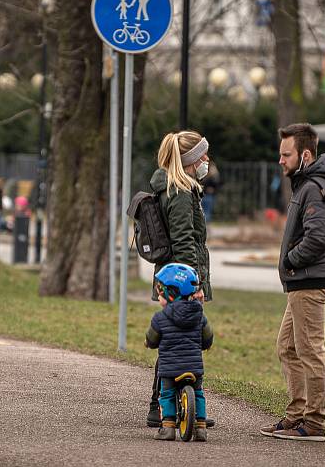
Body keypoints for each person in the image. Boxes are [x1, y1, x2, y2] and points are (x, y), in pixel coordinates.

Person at [259, 123, 325, 442]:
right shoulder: (306, 183)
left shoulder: (313, 187)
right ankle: (296, 415)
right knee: (288, 347)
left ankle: (315, 422)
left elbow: (319, 238)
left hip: (310, 281)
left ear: (304, 154)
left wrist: (291, 260)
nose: (280, 160)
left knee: (309, 350)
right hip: (301, 283)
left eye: (286, 154)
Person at [146, 130, 212, 429]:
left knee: (171, 343)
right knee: (181, 343)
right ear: (188, 161)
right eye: (202, 156)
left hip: (170, 276)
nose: (207, 160)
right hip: (181, 281)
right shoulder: (181, 193)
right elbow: (185, 241)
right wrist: (193, 287)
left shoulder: (168, 188)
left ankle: (163, 407)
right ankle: (171, 409)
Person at [145, 263, 214, 442]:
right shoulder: (199, 315)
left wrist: (149, 343)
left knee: (166, 394)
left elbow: (152, 339)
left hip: (170, 369)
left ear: (170, 293)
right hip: (194, 367)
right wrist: (204, 345)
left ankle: (167, 427)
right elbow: (208, 337)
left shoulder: (160, 317)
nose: (159, 296)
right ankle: (200, 428)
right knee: (198, 393)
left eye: (160, 293)